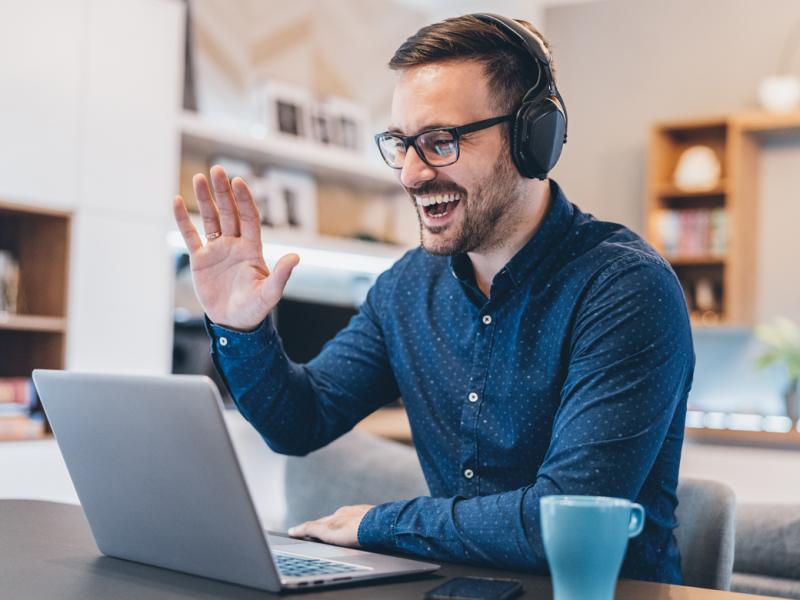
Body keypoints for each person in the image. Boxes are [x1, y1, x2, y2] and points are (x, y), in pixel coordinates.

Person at [172, 13, 694, 584]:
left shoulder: (625, 289)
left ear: (531, 140)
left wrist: (379, 523)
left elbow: (562, 517)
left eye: (440, 142)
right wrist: (240, 328)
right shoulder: (406, 288)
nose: (412, 175)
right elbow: (300, 422)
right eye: (401, 144)